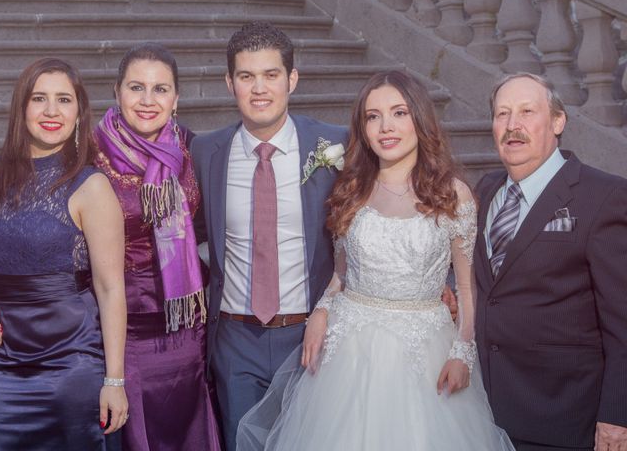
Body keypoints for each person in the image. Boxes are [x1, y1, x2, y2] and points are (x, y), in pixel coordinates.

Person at [236, 70, 514, 450]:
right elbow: (340, 274)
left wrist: (463, 351)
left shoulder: (454, 195)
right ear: (363, 127)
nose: (386, 126)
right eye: (373, 116)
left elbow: (466, 285)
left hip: (423, 353)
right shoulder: (351, 190)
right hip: (349, 351)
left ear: (419, 119)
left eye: (399, 113)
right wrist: (321, 312)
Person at [191, 21, 347, 451]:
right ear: (229, 83)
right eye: (246, 76)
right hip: (236, 341)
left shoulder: (336, 145)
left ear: (292, 79)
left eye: (271, 75)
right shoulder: (206, 152)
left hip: (312, 335)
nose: (259, 88)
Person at [474, 72, 627, 450]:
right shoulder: (486, 189)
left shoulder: (603, 195)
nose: (513, 126)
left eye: (527, 111)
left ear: (558, 121)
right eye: (502, 114)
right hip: (485, 411)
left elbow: (623, 320)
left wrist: (617, 415)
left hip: (565, 418)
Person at [0, 58, 128, 450]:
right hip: (2, 370)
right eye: (40, 99)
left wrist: (114, 381)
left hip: (72, 371)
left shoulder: (91, 186)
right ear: (21, 109)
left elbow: (111, 289)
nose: (52, 111)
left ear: (79, 112)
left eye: (64, 99)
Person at [94, 43, 221, 451]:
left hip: (187, 326)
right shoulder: (88, 154)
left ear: (176, 97)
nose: (148, 101)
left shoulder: (192, 147)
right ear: (117, 92)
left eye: (160, 89)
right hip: (121, 329)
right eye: (136, 87)